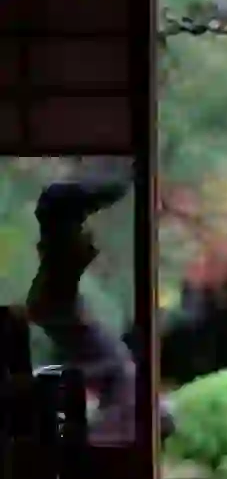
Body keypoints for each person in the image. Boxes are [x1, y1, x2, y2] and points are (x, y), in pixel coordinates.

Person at [24, 182, 175, 444]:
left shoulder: (57, 278)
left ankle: (103, 439)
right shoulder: (56, 278)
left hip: (60, 306)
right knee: (119, 367)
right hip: (60, 306)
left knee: (119, 368)